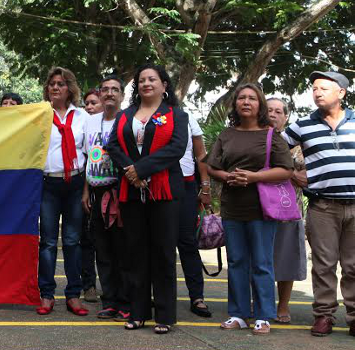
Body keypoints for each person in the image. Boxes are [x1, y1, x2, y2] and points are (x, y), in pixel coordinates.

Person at [105, 64, 189, 334]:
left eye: (153, 79)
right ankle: (138, 312)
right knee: (135, 253)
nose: (146, 84)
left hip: (165, 192)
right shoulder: (125, 115)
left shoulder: (176, 115)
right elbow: (113, 145)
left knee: (163, 252)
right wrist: (131, 172)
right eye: (142, 80)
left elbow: (176, 148)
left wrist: (141, 169)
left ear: (164, 85)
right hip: (131, 192)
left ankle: (164, 315)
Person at [207, 83, 293, 335]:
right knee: (236, 261)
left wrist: (253, 177)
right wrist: (226, 176)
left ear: (260, 105)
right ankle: (239, 314)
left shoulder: (270, 135)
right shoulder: (226, 135)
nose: (246, 102)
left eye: (252, 98)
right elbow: (212, 166)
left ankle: (264, 315)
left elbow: (286, 169)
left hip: (262, 209)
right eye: (241, 98)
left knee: (262, 262)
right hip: (232, 208)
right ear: (235, 104)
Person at [284, 71, 355, 338]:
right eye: (314, 88)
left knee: (353, 265)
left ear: (342, 93)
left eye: (324, 88)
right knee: (324, 264)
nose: (317, 92)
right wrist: (292, 173)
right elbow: (275, 151)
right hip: (322, 206)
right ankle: (324, 316)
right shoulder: (302, 125)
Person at [37, 67, 90, 317]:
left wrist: (87, 190)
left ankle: (73, 295)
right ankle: (47, 294)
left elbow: (93, 154)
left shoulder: (82, 117)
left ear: (70, 88)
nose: (55, 88)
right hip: (48, 185)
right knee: (47, 242)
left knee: (72, 241)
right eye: (52, 84)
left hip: (76, 184)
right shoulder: (38, 115)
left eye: (61, 84)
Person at [82, 75, 130, 321]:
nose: (109, 93)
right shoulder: (89, 122)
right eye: (105, 89)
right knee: (102, 250)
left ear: (122, 95)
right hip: (96, 192)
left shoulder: (128, 120)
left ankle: (125, 302)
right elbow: (87, 158)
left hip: (120, 192)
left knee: (122, 250)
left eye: (115, 89)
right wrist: (86, 191)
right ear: (99, 94)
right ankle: (109, 301)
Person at [267, 97, 307, 325]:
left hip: (289, 207)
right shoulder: (254, 138)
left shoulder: (298, 144)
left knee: (287, 257)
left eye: (278, 111)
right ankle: (261, 300)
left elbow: (305, 174)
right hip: (258, 207)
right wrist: (290, 173)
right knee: (259, 257)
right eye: (269, 110)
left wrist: (292, 173)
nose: (273, 114)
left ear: (286, 117)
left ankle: (283, 305)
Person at [177, 107, 212, 319]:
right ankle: (155, 296)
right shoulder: (141, 116)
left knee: (188, 243)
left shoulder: (187, 117)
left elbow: (201, 155)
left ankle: (197, 297)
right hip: (155, 188)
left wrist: (205, 187)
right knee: (157, 245)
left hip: (186, 186)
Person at [80, 88, 102, 302]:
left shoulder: (119, 122)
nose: (89, 107)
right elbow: (86, 161)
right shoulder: (85, 125)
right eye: (86, 103)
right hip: (88, 190)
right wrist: (86, 191)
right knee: (86, 240)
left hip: (112, 193)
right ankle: (89, 285)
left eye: (94, 102)